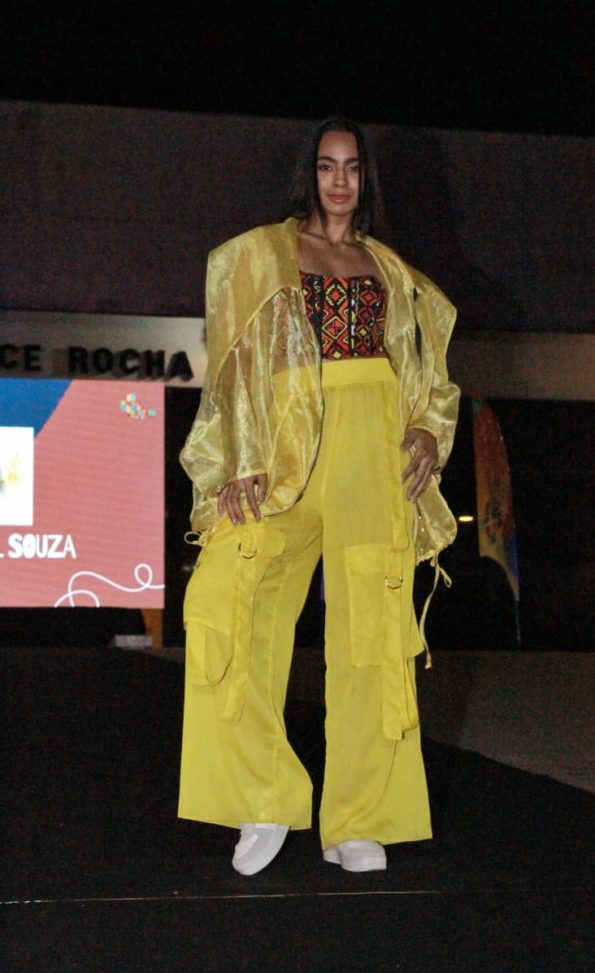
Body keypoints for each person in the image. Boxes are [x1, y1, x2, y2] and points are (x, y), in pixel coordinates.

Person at [178, 117, 460, 876]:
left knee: (372, 632)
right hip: (282, 447)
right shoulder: (258, 255)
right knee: (226, 603)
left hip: (372, 443)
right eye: (328, 166)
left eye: (353, 167)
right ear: (309, 173)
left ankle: (358, 818)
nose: (340, 180)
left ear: (367, 179)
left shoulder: (390, 269)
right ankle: (263, 794)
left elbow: (429, 375)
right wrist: (240, 457)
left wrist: (427, 432)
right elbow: (234, 365)